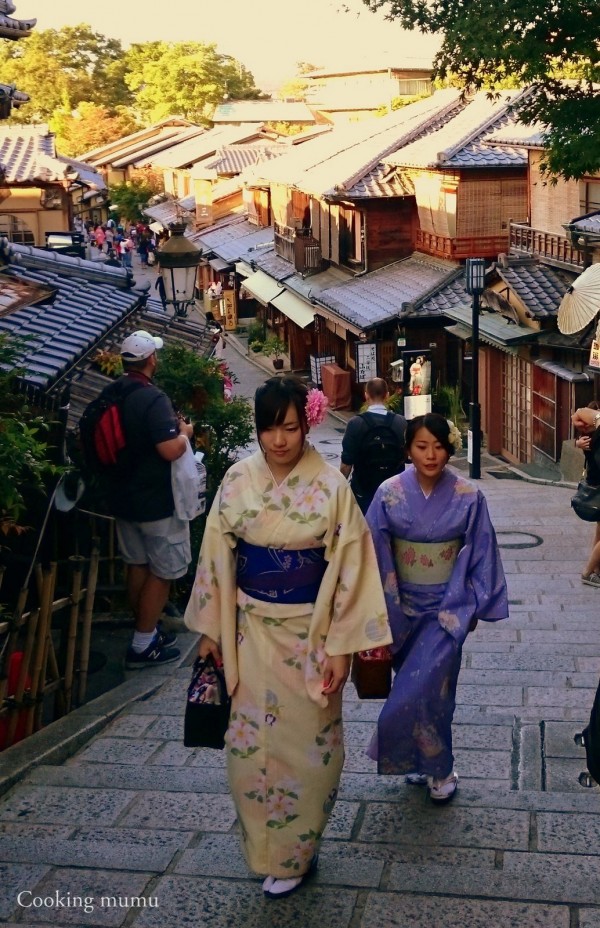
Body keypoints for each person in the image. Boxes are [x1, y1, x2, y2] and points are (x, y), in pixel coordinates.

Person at [184, 375, 391, 899]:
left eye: (291, 428)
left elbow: (352, 566)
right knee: (248, 749)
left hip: (312, 635)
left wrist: (344, 647)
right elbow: (215, 554)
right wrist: (210, 631)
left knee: (310, 749)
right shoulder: (236, 480)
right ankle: (267, 851)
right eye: (269, 429)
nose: (279, 441)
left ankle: (300, 848)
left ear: (308, 424)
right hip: (249, 635)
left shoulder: (330, 487)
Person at [365, 413, 508, 803]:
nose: (431, 454)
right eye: (421, 446)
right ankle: (421, 762)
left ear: (450, 449)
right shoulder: (388, 493)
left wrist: (475, 605)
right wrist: (378, 603)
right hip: (402, 609)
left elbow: (482, 551)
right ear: (408, 449)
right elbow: (373, 550)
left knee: (430, 691)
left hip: (448, 611)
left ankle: (440, 767)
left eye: (439, 446)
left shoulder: (468, 496)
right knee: (419, 690)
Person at [105, 330, 195, 667]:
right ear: (151, 360)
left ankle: (146, 631)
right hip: (156, 502)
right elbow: (169, 449)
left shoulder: (112, 392)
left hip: (122, 499)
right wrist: (185, 434)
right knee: (164, 570)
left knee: (137, 564)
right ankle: (143, 644)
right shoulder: (152, 398)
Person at [340, 377, 407, 514]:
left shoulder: (355, 424)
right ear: (387, 395)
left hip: (363, 490)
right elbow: (407, 456)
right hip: (395, 490)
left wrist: (339, 488)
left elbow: (346, 464)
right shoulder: (401, 423)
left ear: (366, 395)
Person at [572, 404, 600, 587]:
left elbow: (580, 413)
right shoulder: (594, 438)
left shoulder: (590, 437)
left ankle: (596, 570)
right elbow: (580, 413)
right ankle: (588, 571)